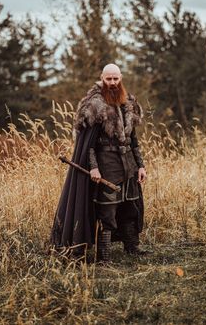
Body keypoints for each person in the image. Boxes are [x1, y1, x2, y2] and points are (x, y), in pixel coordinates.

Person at [50, 63, 147, 262]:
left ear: (121, 78)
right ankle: (104, 257)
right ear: (102, 78)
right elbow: (89, 145)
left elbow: (133, 140)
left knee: (131, 206)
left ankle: (132, 247)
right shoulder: (93, 104)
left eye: (116, 79)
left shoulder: (128, 101)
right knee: (107, 210)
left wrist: (141, 165)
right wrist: (93, 167)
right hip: (106, 165)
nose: (112, 83)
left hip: (129, 165)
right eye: (108, 79)